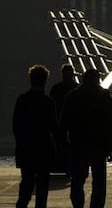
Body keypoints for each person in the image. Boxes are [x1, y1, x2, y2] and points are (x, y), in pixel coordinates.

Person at [60, 69, 112, 208]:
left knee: (77, 179)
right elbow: (110, 123)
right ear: (97, 80)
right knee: (99, 181)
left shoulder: (72, 96)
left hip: (78, 143)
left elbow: (63, 122)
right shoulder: (104, 96)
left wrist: (64, 143)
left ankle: (78, 204)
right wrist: (111, 144)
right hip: (99, 144)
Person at [13, 64, 57, 208]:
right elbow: (53, 127)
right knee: (42, 188)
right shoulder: (48, 102)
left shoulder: (22, 100)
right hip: (44, 149)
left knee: (26, 184)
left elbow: (16, 126)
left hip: (26, 150)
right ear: (45, 80)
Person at [49, 64, 78, 174]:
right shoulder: (77, 88)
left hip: (59, 122)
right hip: (74, 123)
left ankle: (60, 165)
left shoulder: (55, 89)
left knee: (60, 144)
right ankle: (71, 167)